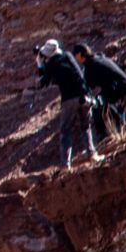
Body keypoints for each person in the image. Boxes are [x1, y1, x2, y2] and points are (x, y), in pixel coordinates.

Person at [36, 39, 101, 168]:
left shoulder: (51, 64)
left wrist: (40, 64)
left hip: (68, 99)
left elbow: (43, 82)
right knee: (86, 126)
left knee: (65, 131)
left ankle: (66, 164)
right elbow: (76, 74)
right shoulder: (68, 56)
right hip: (84, 95)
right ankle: (92, 154)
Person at [73, 42, 126, 140]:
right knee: (99, 100)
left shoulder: (90, 65)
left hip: (120, 86)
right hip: (122, 83)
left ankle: (119, 127)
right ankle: (111, 129)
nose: (75, 58)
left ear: (79, 54)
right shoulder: (98, 57)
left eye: (75, 55)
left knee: (97, 103)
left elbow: (90, 86)